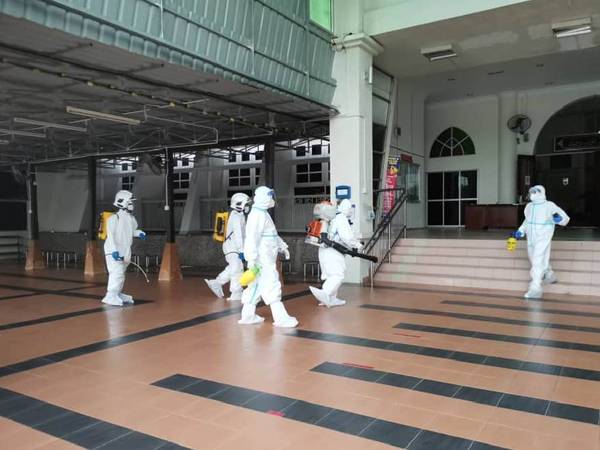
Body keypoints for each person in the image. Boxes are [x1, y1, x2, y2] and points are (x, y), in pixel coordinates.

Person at [238, 186, 298, 327]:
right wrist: (251, 259)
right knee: (271, 283)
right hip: (262, 259)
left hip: (264, 257)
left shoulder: (263, 213)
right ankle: (281, 318)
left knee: (255, 286)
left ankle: (248, 316)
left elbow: (272, 234)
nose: (272, 200)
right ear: (264, 198)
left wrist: (282, 246)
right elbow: (251, 239)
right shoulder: (257, 215)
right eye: (270, 197)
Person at [514, 185, 569, 299]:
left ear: (541, 193)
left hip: (543, 235)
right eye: (531, 192)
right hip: (531, 237)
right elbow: (527, 221)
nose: (532, 194)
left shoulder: (549, 205)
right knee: (535, 258)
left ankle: (535, 288)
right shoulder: (529, 206)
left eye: (535, 192)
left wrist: (559, 219)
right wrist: (520, 231)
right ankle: (549, 274)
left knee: (537, 260)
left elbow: (564, 218)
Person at [310, 199, 363, 307]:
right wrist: (357, 245)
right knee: (337, 274)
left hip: (324, 250)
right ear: (346, 208)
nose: (351, 211)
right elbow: (346, 236)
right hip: (333, 251)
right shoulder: (340, 218)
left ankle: (331, 299)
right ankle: (325, 293)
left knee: (330, 275)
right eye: (350, 209)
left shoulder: (331, 217)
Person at [102, 190, 146, 306]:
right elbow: (110, 236)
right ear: (123, 202)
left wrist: (139, 233)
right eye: (130, 202)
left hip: (125, 250)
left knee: (121, 273)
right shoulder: (113, 218)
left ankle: (117, 293)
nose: (132, 205)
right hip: (114, 250)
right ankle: (110, 295)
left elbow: (132, 231)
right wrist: (114, 251)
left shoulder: (131, 219)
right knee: (116, 272)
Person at [205, 193, 250, 301]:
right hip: (233, 247)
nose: (248, 206)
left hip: (232, 246)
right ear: (239, 204)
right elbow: (239, 235)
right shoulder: (236, 217)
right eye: (246, 204)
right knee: (237, 269)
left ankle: (216, 282)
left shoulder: (238, 215)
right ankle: (236, 293)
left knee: (234, 267)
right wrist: (241, 251)